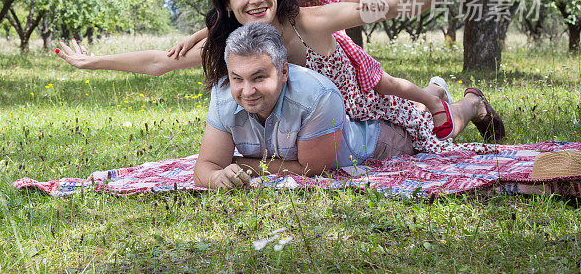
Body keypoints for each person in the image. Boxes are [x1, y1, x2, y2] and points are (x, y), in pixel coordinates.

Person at [56, 0, 539, 153]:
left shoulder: (311, 19)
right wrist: (92, 60)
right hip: (314, 133)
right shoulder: (236, 43)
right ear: (228, 6)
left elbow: (395, 4)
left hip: (368, 114)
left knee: (439, 135)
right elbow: (161, 62)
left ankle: (470, 103)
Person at [167, 0, 460, 139]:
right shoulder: (268, 6)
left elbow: (362, 0)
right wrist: (193, 38)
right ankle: (435, 93)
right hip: (331, 100)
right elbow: (223, 19)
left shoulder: (321, 5)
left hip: (345, 66)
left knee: (391, 90)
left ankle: (437, 100)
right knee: (396, 104)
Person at [193, 23, 485, 189]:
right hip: (341, 125)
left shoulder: (318, 95)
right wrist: (218, 176)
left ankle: (470, 104)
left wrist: (239, 164)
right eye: (237, 78)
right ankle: (434, 90)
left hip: (377, 140)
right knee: (416, 111)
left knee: (431, 133)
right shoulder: (223, 95)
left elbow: (309, 170)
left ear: (283, 72)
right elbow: (205, 167)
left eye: (259, 77)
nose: (247, 91)